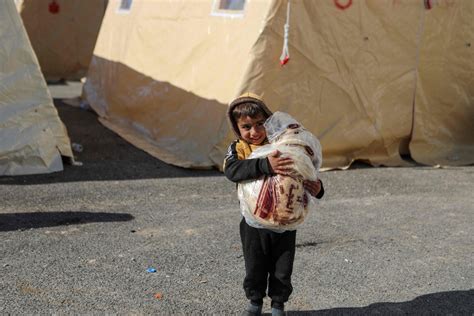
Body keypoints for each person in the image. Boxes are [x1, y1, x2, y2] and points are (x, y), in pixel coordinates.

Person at [223, 93, 324, 316]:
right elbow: (231, 171)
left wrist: (318, 188)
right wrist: (265, 164)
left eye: (260, 124)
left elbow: (303, 170)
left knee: (282, 268)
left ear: (269, 122)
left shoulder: (283, 143)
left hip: (285, 221)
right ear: (237, 129)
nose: (254, 132)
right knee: (255, 266)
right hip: (254, 224)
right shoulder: (239, 148)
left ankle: (278, 305)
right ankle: (255, 302)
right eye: (246, 126)